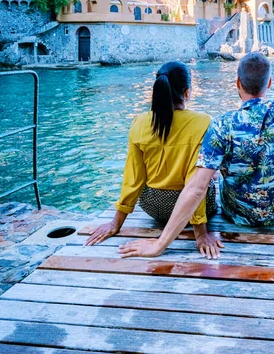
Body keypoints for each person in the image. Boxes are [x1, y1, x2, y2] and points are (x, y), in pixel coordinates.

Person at [117, 51, 274, 260]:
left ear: (237, 83)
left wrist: (160, 245)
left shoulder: (221, 125)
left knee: (216, 170)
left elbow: (196, 187)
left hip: (236, 214)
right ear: (269, 82)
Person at [85, 60, 223, 258]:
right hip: (188, 211)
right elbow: (194, 186)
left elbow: (133, 178)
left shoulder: (139, 122)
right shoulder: (204, 122)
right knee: (210, 175)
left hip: (152, 206)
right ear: (187, 93)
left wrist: (115, 223)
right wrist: (200, 233)